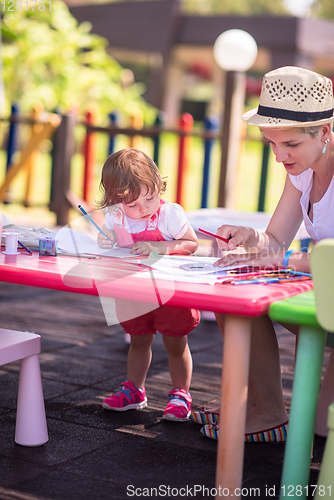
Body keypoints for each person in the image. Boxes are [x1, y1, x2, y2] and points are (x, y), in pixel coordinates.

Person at [191, 66, 334, 441]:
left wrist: (278, 259)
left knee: (320, 431)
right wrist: (250, 238)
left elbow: (315, 258)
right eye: (272, 143)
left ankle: (265, 409)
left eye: (289, 145)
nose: (279, 156)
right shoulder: (302, 168)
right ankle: (266, 408)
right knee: (232, 290)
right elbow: (275, 241)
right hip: (326, 298)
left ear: (324, 131)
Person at [97, 148, 200, 422]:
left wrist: (159, 246)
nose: (143, 209)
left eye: (150, 198)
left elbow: (191, 244)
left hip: (169, 290)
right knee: (138, 339)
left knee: (175, 343)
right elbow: (109, 240)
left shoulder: (170, 214)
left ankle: (180, 393)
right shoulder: (116, 216)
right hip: (133, 289)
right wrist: (105, 240)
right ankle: (135, 389)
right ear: (115, 200)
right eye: (132, 205)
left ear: (158, 186)